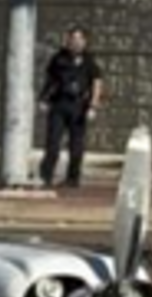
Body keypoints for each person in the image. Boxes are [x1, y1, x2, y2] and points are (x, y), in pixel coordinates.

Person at [40, 26, 105, 189]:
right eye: (72, 39)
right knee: (53, 143)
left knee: (76, 146)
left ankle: (72, 178)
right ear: (68, 40)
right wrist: (43, 99)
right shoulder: (58, 58)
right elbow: (50, 80)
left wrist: (93, 106)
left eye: (79, 39)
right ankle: (45, 176)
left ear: (84, 41)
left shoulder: (90, 61)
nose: (75, 43)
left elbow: (96, 82)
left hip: (79, 106)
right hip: (60, 103)